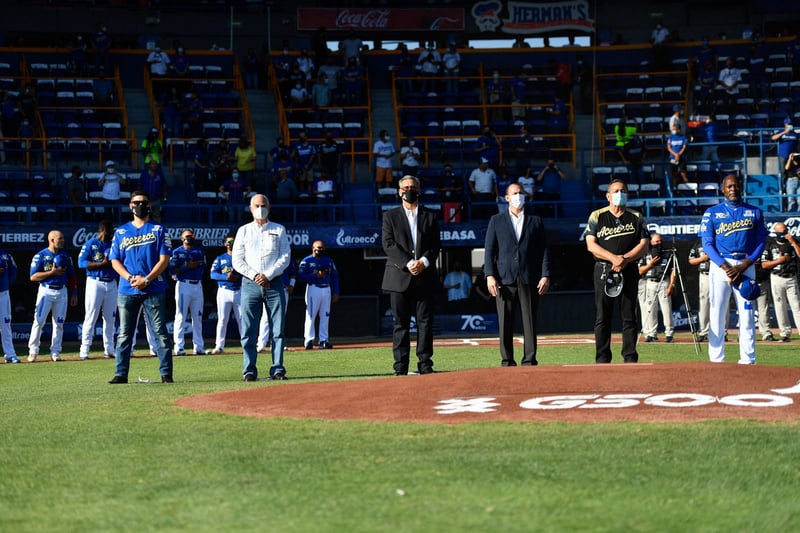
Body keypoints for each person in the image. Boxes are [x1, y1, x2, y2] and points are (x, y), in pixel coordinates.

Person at [698, 174, 768, 364]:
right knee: (717, 314)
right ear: (723, 189)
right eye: (729, 186)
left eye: (736, 186)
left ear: (741, 187)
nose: (733, 189)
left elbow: (761, 241)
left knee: (746, 315)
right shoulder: (712, 213)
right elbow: (707, 243)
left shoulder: (755, 212)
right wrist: (725, 266)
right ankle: (716, 360)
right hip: (721, 267)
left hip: (745, 265)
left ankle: (748, 360)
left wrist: (747, 263)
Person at [108, 191, 174, 383]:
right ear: (130, 206)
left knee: (160, 332)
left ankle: (166, 374)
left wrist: (148, 279)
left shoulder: (159, 230)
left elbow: (164, 259)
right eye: (136, 202)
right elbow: (114, 261)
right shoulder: (121, 232)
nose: (140, 205)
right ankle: (120, 374)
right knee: (124, 334)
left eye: (144, 202)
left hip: (154, 287)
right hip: (127, 289)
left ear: (149, 205)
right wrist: (130, 278)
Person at [484, 183, 551, 366]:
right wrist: (489, 275)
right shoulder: (496, 220)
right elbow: (489, 250)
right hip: (504, 279)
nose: (518, 196)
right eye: (514, 193)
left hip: (529, 276)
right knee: (505, 322)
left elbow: (543, 250)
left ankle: (529, 359)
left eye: (521, 193)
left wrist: (545, 275)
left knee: (530, 321)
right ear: (507, 198)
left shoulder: (535, 221)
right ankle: (507, 360)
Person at [381, 175, 441, 375]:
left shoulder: (431, 216)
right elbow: (388, 244)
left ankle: (425, 364)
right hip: (399, 277)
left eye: (413, 187)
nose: (409, 190)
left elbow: (435, 246)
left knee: (425, 323)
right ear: (399, 192)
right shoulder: (390, 216)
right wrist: (408, 264)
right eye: (406, 187)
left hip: (425, 277)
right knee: (401, 325)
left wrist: (423, 262)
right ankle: (401, 367)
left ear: (419, 190)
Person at [584, 179, 649, 363]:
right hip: (604, 270)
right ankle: (602, 358)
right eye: (616, 191)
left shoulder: (636, 216)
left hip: (629, 270)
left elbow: (644, 245)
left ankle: (630, 357)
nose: (619, 193)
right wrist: (614, 258)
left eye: (623, 190)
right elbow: (591, 245)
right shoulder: (597, 216)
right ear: (608, 196)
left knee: (629, 316)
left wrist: (625, 259)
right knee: (602, 317)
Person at [232, 194, 292, 381]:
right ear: (250, 208)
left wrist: (269, 275)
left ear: (269, 206)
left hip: (274, 284)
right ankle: (249, 369)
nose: (260, 208)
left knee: (278, 329)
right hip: (250, 284)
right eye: (256, 205)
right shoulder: (243, 231)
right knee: (249, 329)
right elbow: (237, 260)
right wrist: (255, 275)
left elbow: (285, 257)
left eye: (263, 205)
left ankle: (278, 368)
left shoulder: (279, 229)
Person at [28, 230, 79, 362]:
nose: (63, 240)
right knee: (39, 321)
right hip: (46, 291)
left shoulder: (66, 256)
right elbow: (33, 277)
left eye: (63, 238)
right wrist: (51, 273)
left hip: (62, 292)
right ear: (52, 240)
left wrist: (73, 292)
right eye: (60, 238)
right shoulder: (40, 256)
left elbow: (72, 276)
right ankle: (33, 351)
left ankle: (55, 351)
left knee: (59, 323)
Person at [78, 220, 117, 360]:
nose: (111, 234)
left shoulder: (114, 244)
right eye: (109, 231)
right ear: (102, 231)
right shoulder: (90, 244)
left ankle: (109, 349)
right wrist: (101, 264)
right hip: (95, 282)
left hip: (111, 283)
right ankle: (85, 349)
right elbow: (81, 263)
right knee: (91, 316)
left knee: (110, 318)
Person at [169, 229, 206, 356]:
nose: (189, 238)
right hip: (184, 284)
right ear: (181, 238)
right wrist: (187, 267)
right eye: (186, 236)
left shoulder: (199, 251)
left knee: (198, 317)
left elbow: (202, 267)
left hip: (197, 284)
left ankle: (199, 347)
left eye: (191, 236)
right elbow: (172, 271)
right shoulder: (177, 252)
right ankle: (179, 347)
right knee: (180, 316)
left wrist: (191, 268)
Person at [297, 240, 339, 350]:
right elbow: (301, 277)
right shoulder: (306, 261)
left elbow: (334, 276)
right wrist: (315, 275)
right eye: (318, 247)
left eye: (321, 248)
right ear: (313, 248)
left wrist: (336, 292)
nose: (319, 250)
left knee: (325, 316)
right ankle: (309, 340)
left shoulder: (328, 261)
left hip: (326, 289)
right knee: (311, 315)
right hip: (313, 289)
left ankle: (323, 340)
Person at [762, 221, 800, 342]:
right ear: (776, 233)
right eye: (783, 232)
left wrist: (793, 242)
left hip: (791, 277)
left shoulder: (793, 242)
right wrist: (780, 260)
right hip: (776, 277)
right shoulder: (770, 244)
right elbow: (764, 265)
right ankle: (785, 333)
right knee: (780, 306)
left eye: (786, 231)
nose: (785, 233)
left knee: (797, 306)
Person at [637, 233, 676, 343]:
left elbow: (673, 271)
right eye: (656, 241)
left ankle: (669, 334)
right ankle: (652, 334)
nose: (659, 243)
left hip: (664, 282)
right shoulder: (646, 253)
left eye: (660, 241)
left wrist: (671, 285)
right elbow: (640, 270)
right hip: (650, 282)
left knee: (667, 309)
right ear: (651, 242)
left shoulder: (667, 253)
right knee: (650, 310)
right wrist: (650, 264)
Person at [208, 234, 242, 355]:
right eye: (228, 242)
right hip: (224, 291)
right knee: (222, 319)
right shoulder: (220, 258)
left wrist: (237, 278)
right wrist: (226, 277)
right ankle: (219, 346)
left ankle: (246, 345)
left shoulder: (242, 258)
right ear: (225, 244)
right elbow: (213, 274)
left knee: (242, 319)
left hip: (239, 290)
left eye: (233, 241)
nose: (230, 244)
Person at [688, 240, 711, 341]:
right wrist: (702, 258)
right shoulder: (698, 244)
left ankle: (723, 332)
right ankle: (704, 332)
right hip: (704, 274)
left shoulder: (719, 239)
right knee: (704, 303)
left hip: (718, 273)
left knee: (721, 302)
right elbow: (691, 260)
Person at [0, 247, 18, 363]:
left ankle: (10, 354)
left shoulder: (5, 255)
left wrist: (6, 283)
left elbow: (13, 271)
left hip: (3, 293)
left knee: (5, 325)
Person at [753, 248, 775, 342]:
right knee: (746, 309)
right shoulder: (746, 245)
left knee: (764, 309)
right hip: (748, 283)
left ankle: (766, 332)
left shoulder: (766, 246)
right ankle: (743, 332)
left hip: (762, 280)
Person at [667, 125, 689, 189]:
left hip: (681, 158)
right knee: (674, 174)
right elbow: (669, 148)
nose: (673, 131)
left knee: (683, 173)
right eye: (672, 129)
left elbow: (684, 147)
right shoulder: (670, 138)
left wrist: (679, 154)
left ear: (678, 130)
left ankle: (687, 187)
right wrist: (675, 155)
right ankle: (674, 187)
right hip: (672, 158)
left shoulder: (683, 137)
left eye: (674, 129)